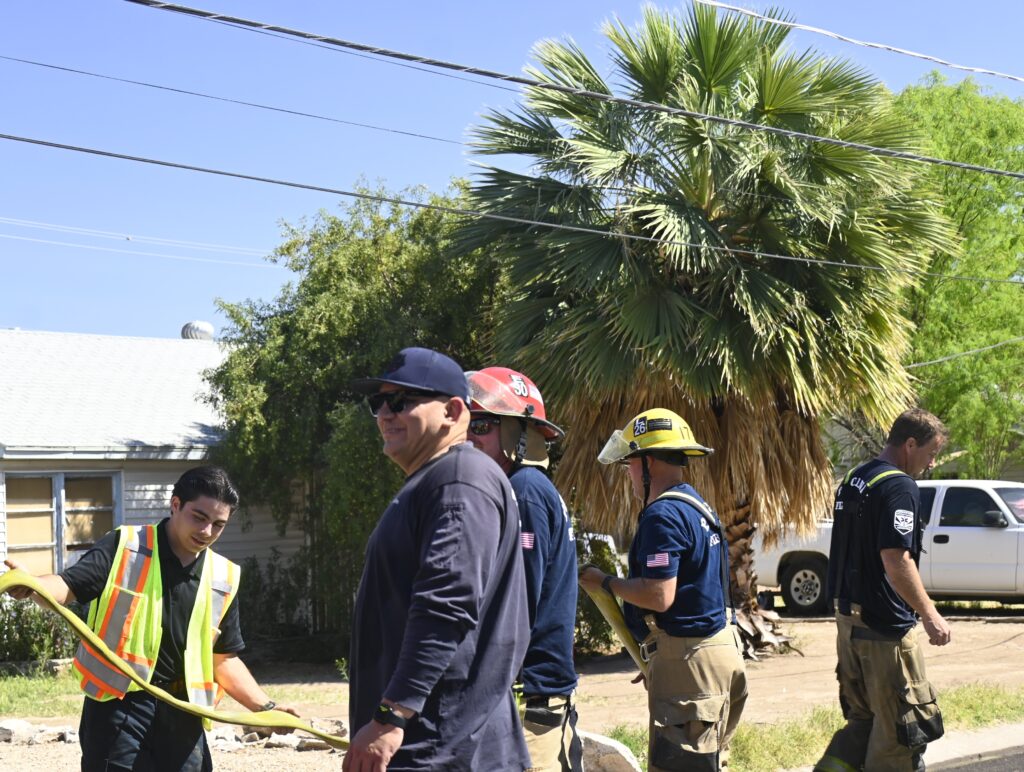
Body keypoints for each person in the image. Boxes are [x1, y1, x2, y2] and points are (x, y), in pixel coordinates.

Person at [2, 465, 297, 772]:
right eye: (199, 517)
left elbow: (223, 659)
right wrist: (32, 585)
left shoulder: (223, 577)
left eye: (218, 524)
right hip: (118, 708)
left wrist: (266, 708)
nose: (207, 531)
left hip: (183, 712)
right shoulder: (125, 547)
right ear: (175, 504)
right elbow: (66, 587)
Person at [345, 347, 531, 771]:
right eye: (378, 403)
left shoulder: (459, 480)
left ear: (452, 410)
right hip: (436, 742)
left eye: (400, 401)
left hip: (441, 747)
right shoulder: (438, 480)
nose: (384, 414)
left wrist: (392, 714)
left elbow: (446, 605)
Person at [579, 408, 747, 772]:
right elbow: (697, 596)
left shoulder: (662, 515)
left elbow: (659, 595)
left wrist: (605, 581)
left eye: (629, 463)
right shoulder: (695, 506)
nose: (628, 473)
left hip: (691, 666)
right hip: (713, 654)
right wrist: (661, 658)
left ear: (648, 462)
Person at [815, 408, 951, 772]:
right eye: (931, 453)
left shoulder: (855, 478)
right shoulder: (899, 486)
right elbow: (896, 559)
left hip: (850, 627)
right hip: (883, 632)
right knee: (897, 738)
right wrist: (929, 614)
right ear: (910, 444)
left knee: (861, 727)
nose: (932, 463)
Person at [465, 367, 582, 772]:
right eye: (466, 424)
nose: (469, 435)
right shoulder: (525, 487)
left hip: (529, 695)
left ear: (518, 433)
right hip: (530, 692)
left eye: (481, 425)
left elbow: (517, 603)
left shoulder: (526, 490)